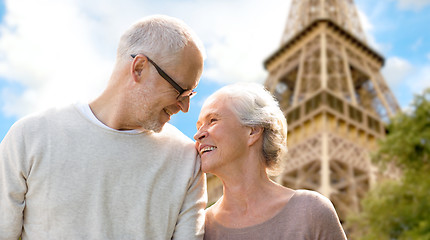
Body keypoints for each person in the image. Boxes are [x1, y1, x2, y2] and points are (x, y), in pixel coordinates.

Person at [0, 15, 207, 239]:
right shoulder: (30, 137)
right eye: (180, 91)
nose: (185, 107)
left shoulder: (187, 160)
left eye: (191, 94)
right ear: (139, 68)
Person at [194, 83, 347, 240]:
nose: (198, 135)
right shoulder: (199, 229)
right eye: (198, 126)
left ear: (253, 131)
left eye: (212, 120)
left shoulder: (311, 211)